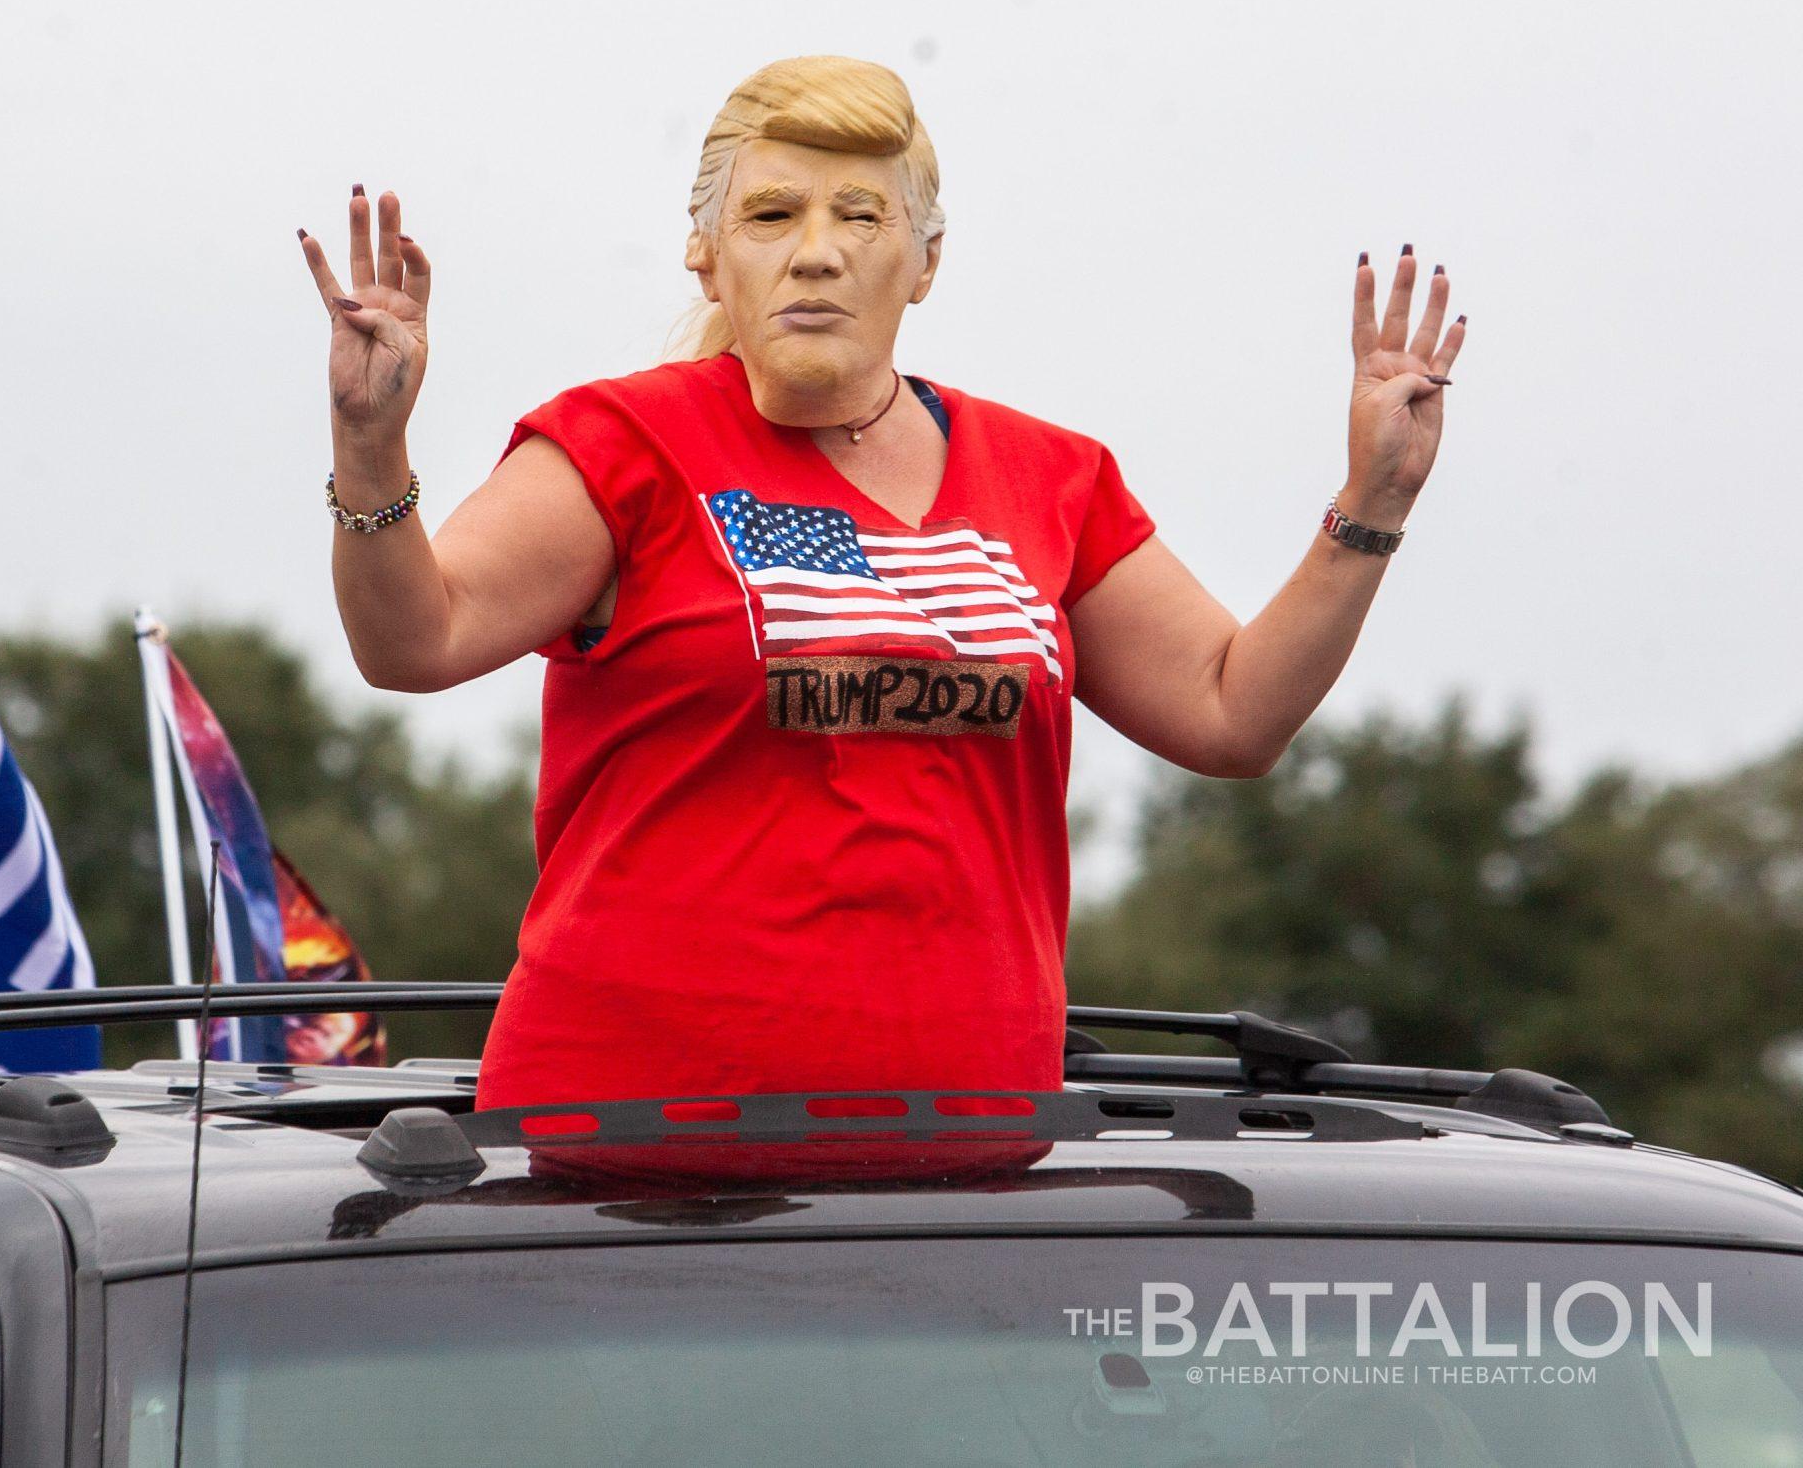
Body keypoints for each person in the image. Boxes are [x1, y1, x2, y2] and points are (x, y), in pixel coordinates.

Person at [301, 55, 1465, 1112]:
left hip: (965, 1158)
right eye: (771, 214)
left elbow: (1231, 713)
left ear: (926, 259)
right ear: (705, 248)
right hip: (635, 1158)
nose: (815, 249)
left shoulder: (1051, 476)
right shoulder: (619, 444)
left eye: (861, 215)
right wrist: (370, 444)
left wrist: (1372, 505)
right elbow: (416, 642)